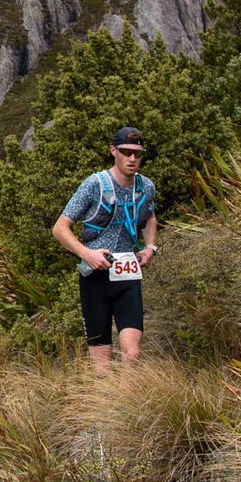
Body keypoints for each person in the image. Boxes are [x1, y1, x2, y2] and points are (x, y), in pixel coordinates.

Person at [52, 126, 156, 373]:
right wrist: (87, 253)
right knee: (102, 366)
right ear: (113, 151)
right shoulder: (94, 184)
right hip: (95, 279)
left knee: (133, 354)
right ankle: (104, 409)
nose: (132, 159)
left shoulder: (146, 187)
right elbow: (60, 228)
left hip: (128, 277)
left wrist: (150, 247)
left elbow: (150, 216)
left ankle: (128, 407)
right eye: (126, 152)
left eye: (138, 154)